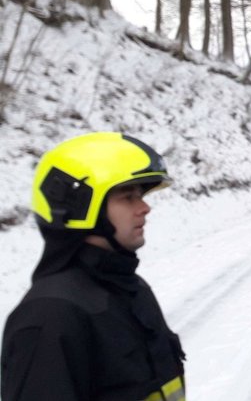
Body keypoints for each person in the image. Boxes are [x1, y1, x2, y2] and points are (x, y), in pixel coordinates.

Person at [1, 132, 186, 401]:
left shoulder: (132, 288)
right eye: (128, 196)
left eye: (141, 195)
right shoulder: (50, 316)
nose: (145, 207)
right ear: (81, 204)